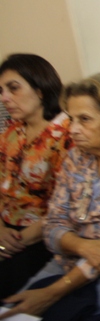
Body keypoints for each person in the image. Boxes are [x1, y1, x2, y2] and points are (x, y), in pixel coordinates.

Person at [0, 73, 100, 321]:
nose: (72, 129)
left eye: (84, 119)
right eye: (71, 119)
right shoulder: (76, 157)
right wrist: (82, 246)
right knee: (12, 316)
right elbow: (52, 223)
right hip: (67, 261)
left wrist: (51, 293)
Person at [0, 54, 73, 299]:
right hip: (5, 229)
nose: (4, 98)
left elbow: (67, 205)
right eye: (1, 91)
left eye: (13, 88)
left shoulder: (66, 135)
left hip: (41, 234)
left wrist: (15, 241)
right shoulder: (12, 131)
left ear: (40, 90)